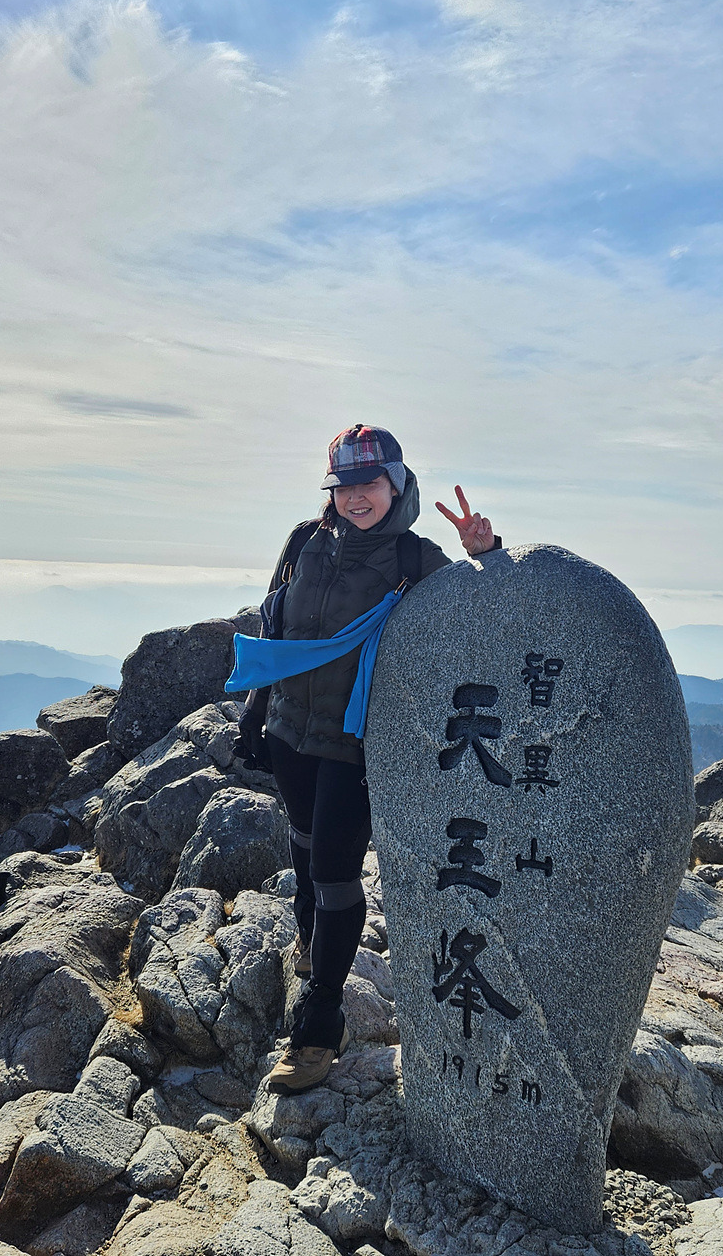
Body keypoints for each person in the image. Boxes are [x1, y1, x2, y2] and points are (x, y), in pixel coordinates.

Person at [234, 423, 500, 1093]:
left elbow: (486, 621)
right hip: (291, 727)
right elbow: (276, 629)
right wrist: (255, 712)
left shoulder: (417, 560)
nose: (355, 497)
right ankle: (308, 938)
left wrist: (486, 555)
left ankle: (319, 1028)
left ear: (396, 483)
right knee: (302, 841)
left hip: (357, 744)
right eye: (343, 485)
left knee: (333, 872)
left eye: (369, 483)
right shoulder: (304, 541)